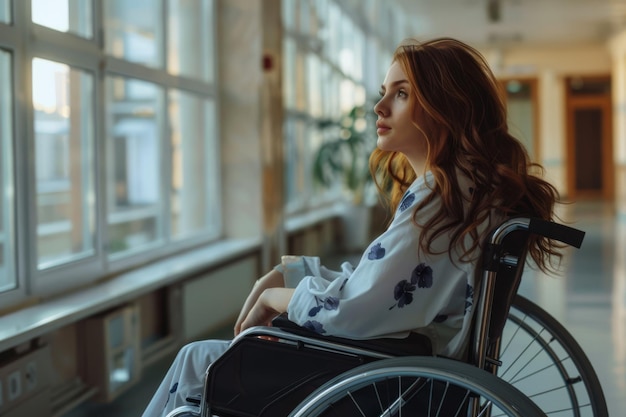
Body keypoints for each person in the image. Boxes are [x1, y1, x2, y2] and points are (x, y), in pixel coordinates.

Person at [141, 37, 562, 417]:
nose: (380, 108)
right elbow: (382, 286)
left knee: (199, 359)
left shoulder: (439, 195)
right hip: (414, 369)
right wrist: (294, 273)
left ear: (446, 107)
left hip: (386, 380)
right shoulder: (471, 187)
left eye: (401, 94)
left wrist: (276, 296)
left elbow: (353, 311)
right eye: (384, 93)